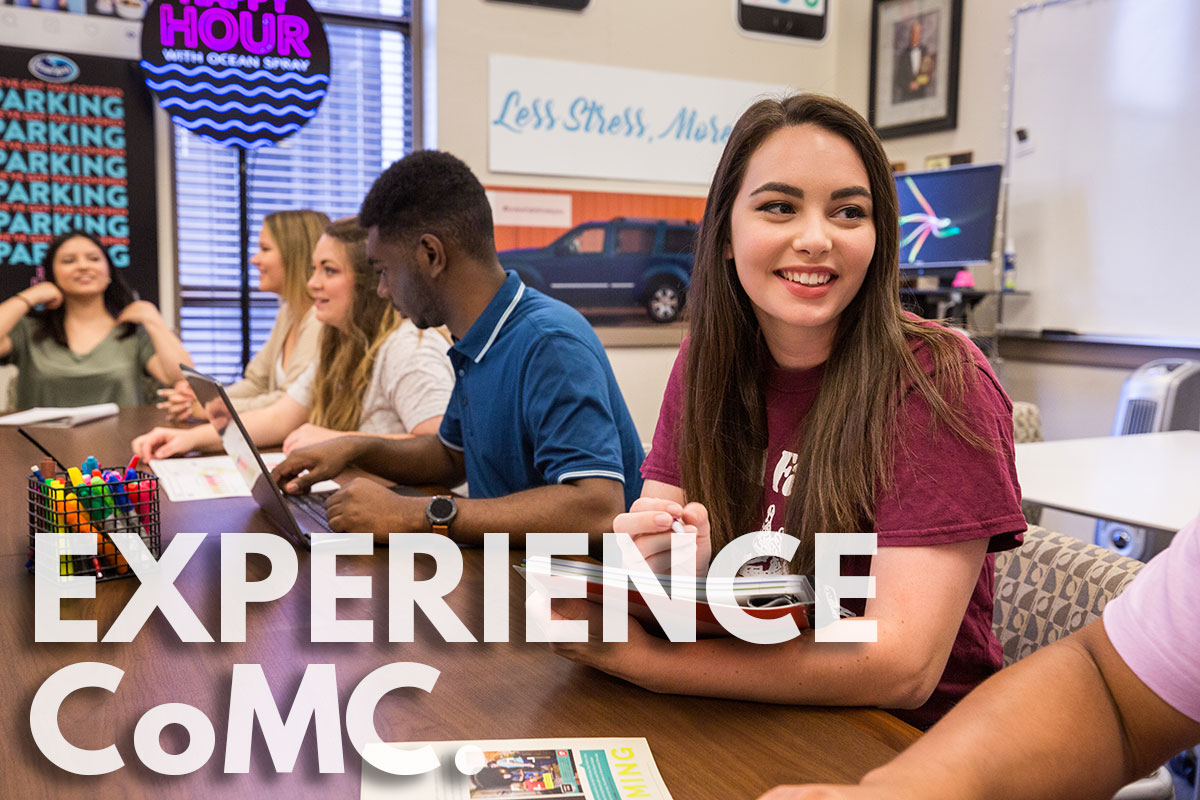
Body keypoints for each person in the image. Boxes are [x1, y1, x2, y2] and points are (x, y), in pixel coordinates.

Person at [548, 94, 1026, 729]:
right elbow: (660, 550)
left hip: (902, 742)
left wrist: (646, 662)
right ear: (723, 233)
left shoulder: (939, 378)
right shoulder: (705, 360)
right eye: (779, 206)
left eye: (849, 213)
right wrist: (664, 572)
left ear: (879, 239)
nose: (814, 238)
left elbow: (902, 666)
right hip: (750, 708)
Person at [270, 150, 645, 546]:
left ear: (431, 255)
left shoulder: (548, 342)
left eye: (384, 271)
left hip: (582, 592)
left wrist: (416, 514)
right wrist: (353, 448)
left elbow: (598, 507)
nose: (381, 290)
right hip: (512, 573)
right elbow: (452, 456)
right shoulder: (477, 338)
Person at [756, 510, 1200, 800]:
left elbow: (899, 664)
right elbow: (1111, 690)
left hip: (891, 727)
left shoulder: (935, 396)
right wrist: (904, 790)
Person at [130, 216, 453, 460]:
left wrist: (342, 442)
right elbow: (280, 417)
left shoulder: (409, 347)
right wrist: (191, 438)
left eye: (329, 270)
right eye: (314, 269)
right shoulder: (341, 340)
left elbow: (443, 447)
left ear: (371, 281)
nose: (312, 283)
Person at [157, 209, 328, 421]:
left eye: (265, 249)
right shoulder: (288, 313)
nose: (255, 259)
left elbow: (290, 402)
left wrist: (215, 407)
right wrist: (204, 398)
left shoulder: (320, 319)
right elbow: (257, 382)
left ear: (294, 254)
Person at [0, 230, 193, 408]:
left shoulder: (131, 331)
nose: (83, 266)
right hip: (36, 444)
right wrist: (29, 297)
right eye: (68, 261)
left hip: (123, 443)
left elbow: (181, 378)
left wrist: (153, 320)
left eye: (93, 259)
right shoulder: (29, 330)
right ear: (52, 274)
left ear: (108, 272)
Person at [893, 19, 932, 102]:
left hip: (922, 97)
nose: (916, 35)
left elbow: (928, 75)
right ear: (910, 34)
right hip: (906, 98)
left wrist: (919, 83)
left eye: (919, 33)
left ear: (921, 35)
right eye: (914, 32)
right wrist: (909, 85)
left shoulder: (925, 51)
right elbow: (898, 79)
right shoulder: (903, 54)